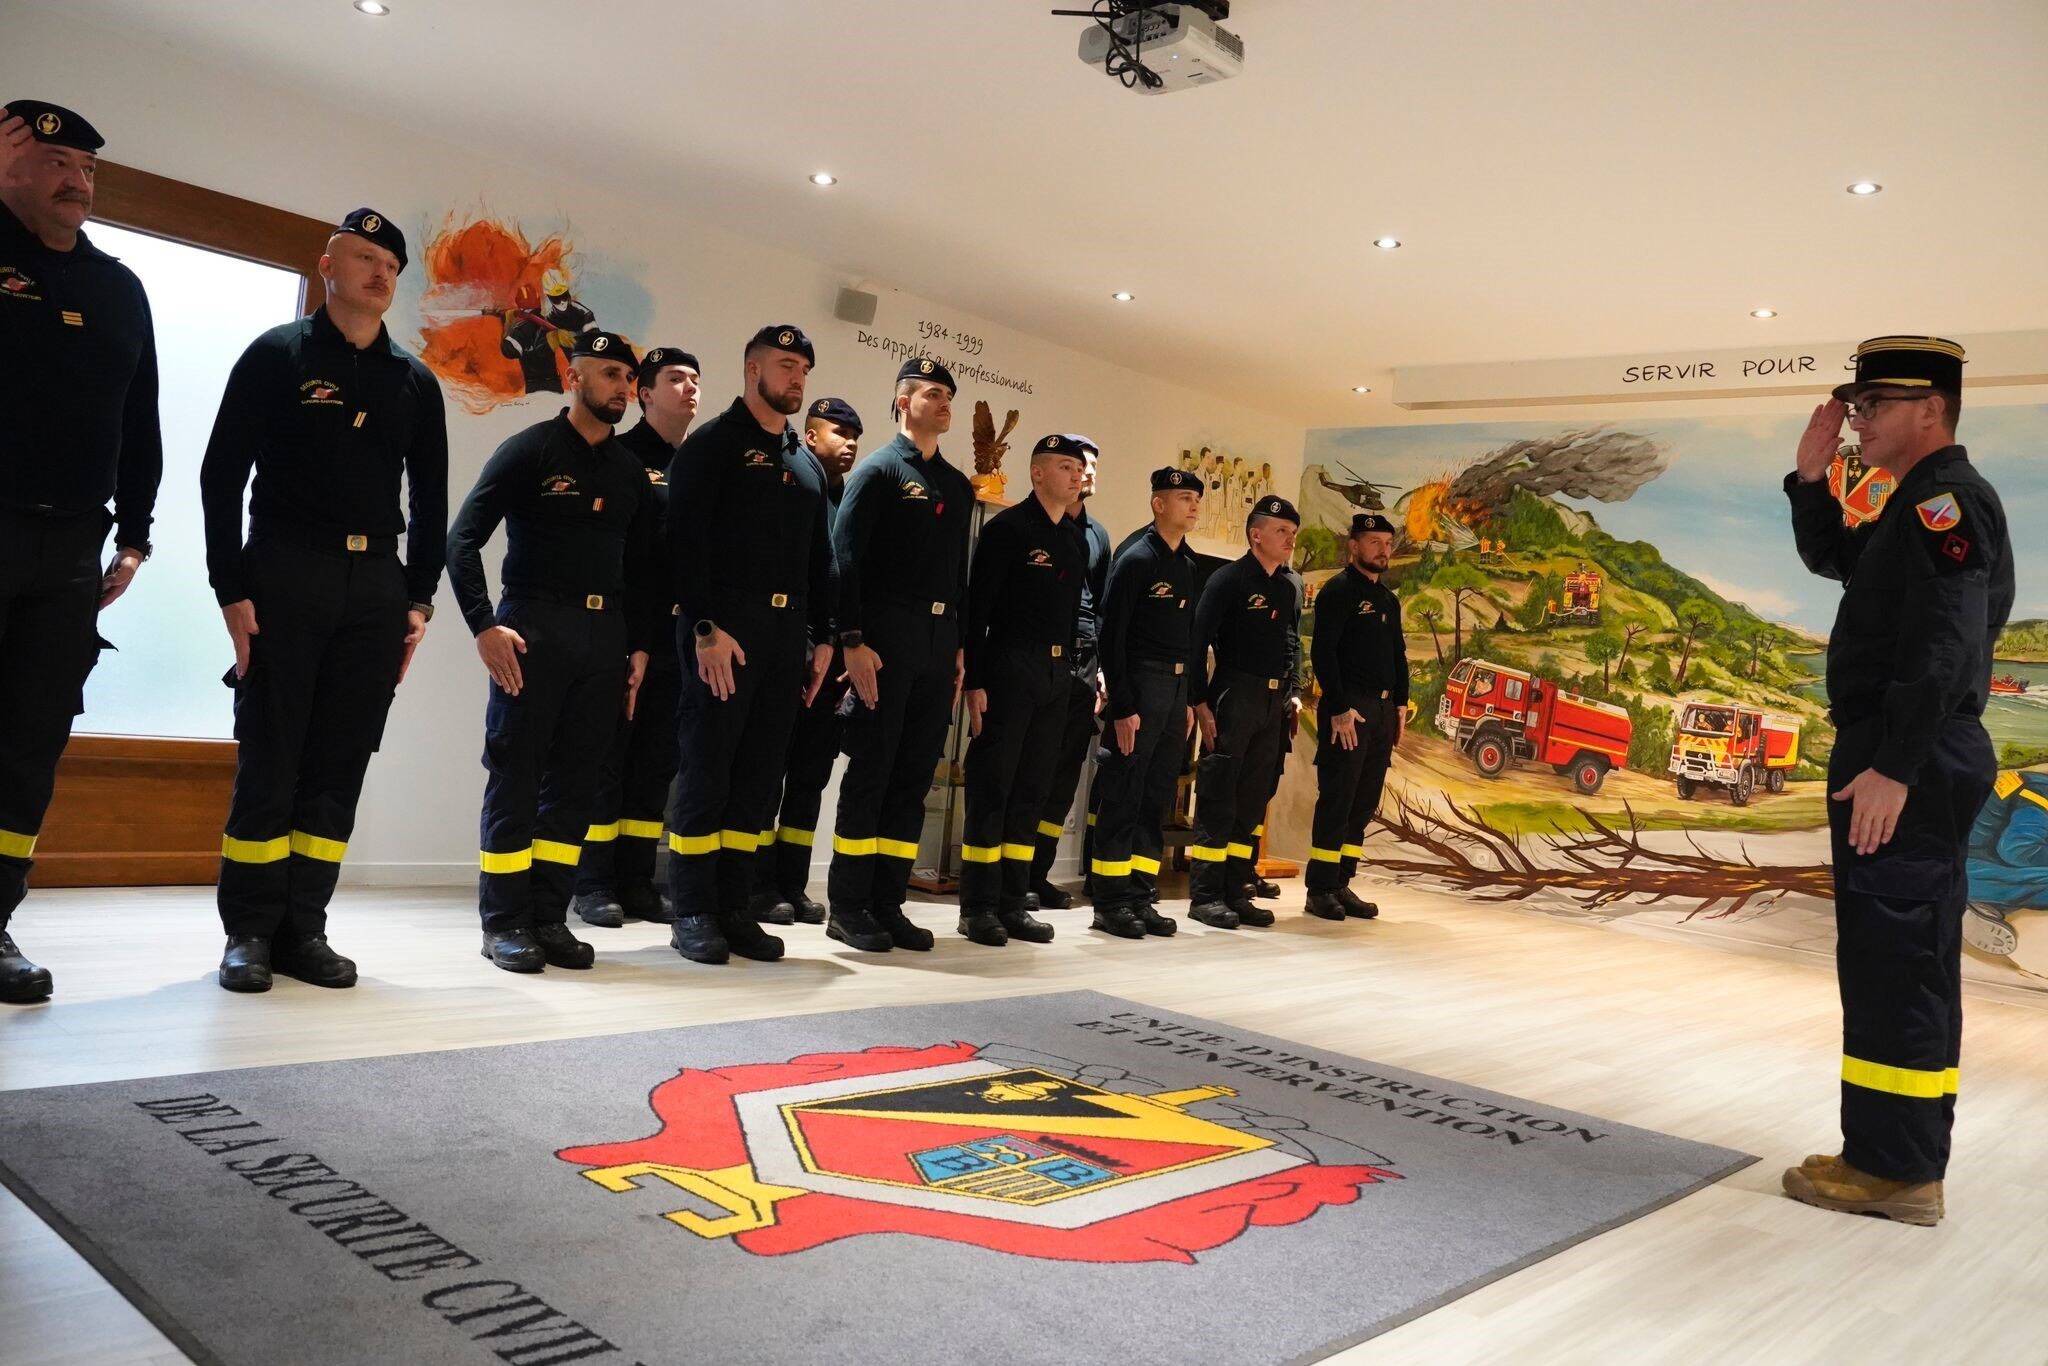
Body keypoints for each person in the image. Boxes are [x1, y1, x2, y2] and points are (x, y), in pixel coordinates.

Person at [1780, 335, 2013, 1226]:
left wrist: (1893, 766)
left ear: (1931, 410)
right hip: (1902, 754)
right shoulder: (1917, 503)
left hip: (1904, 758)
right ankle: (1887, 1154)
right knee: (1894, 956)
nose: (1859, 420)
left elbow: (1947, 643)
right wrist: (1809, 480)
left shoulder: (1946, 502)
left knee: (1898, 959)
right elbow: (1839, 562)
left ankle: (1898, 1170)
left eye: (1875, 405)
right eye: (1857, 406)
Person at [199, 208, 449, 992]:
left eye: (390, 264)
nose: (378, 273)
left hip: (374, 588)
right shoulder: (276, 355)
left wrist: (419, 601)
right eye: (363, 257)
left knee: (340, 760)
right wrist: (229, 586)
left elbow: (434, 498)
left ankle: (303, 927)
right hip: (285, 571)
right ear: (327, 266)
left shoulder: (414, 381)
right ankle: (248, 931)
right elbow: (220, 477)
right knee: (272, 755)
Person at [0, 101, 162, 1005]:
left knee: (29, 742)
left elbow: (139, 422)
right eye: (56, 159)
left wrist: (135, 535)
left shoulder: (117, 288)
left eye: (89, 168)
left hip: (71, 547)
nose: (77, 179)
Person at [447, 330, 662, 974]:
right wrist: (484, 626)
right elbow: (461, 541)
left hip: (605, 642)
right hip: (532, 632)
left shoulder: (631, 474)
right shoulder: (531, 450)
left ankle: (548, 916)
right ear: (574, 378)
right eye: (609, 374)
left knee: (575, 787)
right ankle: (505, 921)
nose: (622, 387)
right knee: (516, 777)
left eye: (628, 377)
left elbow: (649, 571)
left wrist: (642, 647)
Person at [663, 326, 832, 966]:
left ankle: (735, 908)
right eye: (786, 366)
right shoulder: (713, 446)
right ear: (751, 367)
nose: (797, 379)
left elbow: (821, 560)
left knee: (760, 780)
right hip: (722, 636)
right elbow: (681, 545)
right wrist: (703, 626)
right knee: (708, 771)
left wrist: (822, 639)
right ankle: (694, 912)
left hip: (786, 640)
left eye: (804, 370)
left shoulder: (803, 460)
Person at [823, 357, 974, 953]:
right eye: (933, 393)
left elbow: (957, 575)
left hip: (938, 647)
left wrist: (958, 644)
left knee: (914, 780)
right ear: (902, 401)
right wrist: (852, 642)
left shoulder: (959, 487)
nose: (944, 404)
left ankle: (890, 903)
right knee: (873, 774)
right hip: (884, 641)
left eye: (948, 397)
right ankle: (849, 905)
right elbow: (844, 559)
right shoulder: (880, 472)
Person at [571, 346, 699, 930]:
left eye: (696, 380)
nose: (689, 389)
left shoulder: (697, 463)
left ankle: (635, 878)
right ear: (645, 393)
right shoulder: (623, 457)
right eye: (675, 379)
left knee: (655, 763)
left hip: (676, 636)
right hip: (625, 629)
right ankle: (592, 880)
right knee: (607, 759)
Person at [955, 434, 1089, 945]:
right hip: (1010, 667)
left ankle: (1013, 902)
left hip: (1057, 676)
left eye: (1078, 468)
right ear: (1037, 474)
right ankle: (978, 906)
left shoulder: (1073, 540)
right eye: (1064, 466)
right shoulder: (1008, 530)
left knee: (1032, 790)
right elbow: (979, 610)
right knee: (994, 786)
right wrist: (979, 682)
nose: (1076, 475)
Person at [752, 396, 863, 926]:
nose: (850, 442)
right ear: (811, 437)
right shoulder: (789, 487)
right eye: (839, 431)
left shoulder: (854, 500)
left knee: (809, 780)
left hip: (835, 665)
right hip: (788, 655)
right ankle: (755, 885)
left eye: (855, 434)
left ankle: (791, 883)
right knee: (765, 774)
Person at [1088, 466, 1203, 938]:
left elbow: (1190, 642)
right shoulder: (1136, 558)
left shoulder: (1189, 565)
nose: (1194, 505)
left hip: (1174, 693)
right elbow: (1110, 638)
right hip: (1139, 686)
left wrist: (1191, 698)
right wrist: (1122, 705)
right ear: (1158, 503)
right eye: (1183, 497)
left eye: (1197, 498)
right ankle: (1111, 901)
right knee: (1124, 795)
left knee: (1157, 796)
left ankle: (1140, 893)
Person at [1186, 495, 1302, 929]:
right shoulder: (1227, 580)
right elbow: (1197, 644)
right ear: (1256, 535)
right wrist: (1198, 701)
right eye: (1280, 532)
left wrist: (1292, 692)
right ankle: (1205, 895)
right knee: (1220, 796)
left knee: (1252, 801)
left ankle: (1236, 891)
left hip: (1272, 704)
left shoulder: (1286, 587)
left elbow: (1291, 643)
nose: (1289, 540)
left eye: (1292, 533)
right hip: (1234, 694)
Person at [1303, 513, 1407, 922]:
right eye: (1374, 542)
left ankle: (1343, 882)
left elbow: (1397, 656)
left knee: (1363, 803)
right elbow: (1323, 655)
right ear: (1354, 546)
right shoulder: (1338, 592)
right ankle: (1320, 888)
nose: (1383, 550)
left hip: (1381, 713)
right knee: (1338, 799)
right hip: (1349, 710)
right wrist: (1341, 708)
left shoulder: (1388, 599)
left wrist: (1400, 704)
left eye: (1387, 542)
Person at [1028, 436, 1111, 908]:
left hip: (1083, 667)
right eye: (1080, 466)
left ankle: (1038, 873)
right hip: (1041, 661)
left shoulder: (1098, 535)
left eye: (1093, 467)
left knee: (1063, 777)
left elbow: (1103, 607)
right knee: (1033, 771)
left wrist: (1101, 669)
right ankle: (1011, 874)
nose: (1087, 474)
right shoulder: (1039, 525)